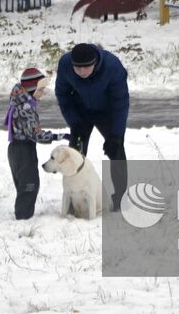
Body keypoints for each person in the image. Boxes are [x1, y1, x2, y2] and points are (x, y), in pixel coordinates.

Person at [55, 42, 130, 211]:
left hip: (107, 112)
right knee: (75, 154)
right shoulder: (65, 63)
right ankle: (74, 201)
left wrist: (116, 135)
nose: (81, 72)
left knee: (117, 151)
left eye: (85, 68)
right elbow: (63, 94)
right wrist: (75, 122)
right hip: (80, 112)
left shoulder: (113, 66)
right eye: (77, 68)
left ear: (95, 63)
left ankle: (119, 198)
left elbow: (121, 102)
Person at [4, 67, 62, 220]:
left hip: (16, 149)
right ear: (31, 88)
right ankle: (23, 218)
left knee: (24, 184)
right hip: (23, 150)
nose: (43, 92)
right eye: (40, 88)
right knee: (30, 185)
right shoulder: (26, 108)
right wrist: (58, 136)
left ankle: (23, 214)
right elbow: (36, 134)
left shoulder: (20, 102)